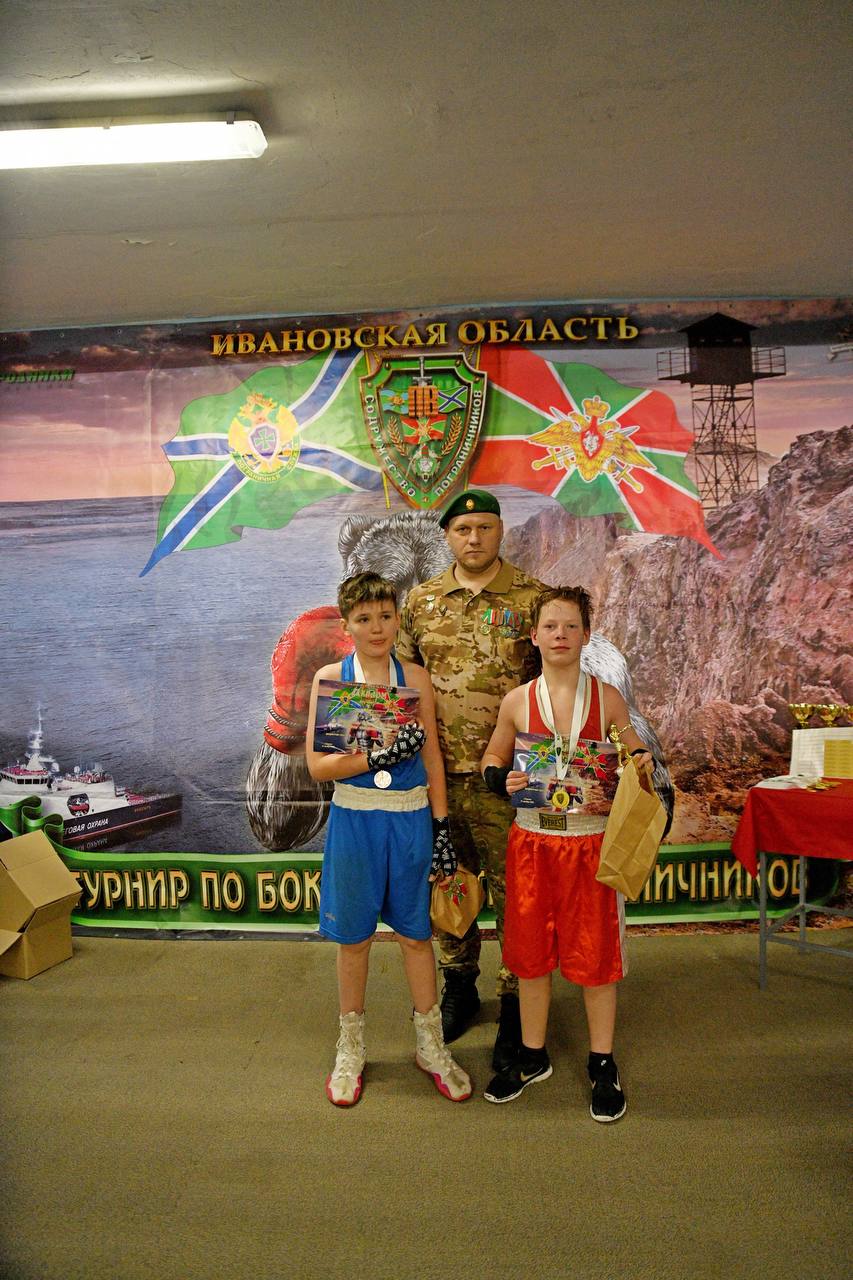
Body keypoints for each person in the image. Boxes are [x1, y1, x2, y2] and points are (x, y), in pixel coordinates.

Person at [479, 586, 653, 1122]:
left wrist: (637, 762)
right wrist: (499, 779)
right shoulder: (517, 701)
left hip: (590, 845)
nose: (560, 635)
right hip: (533, 841)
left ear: (586, 635)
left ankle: (602, 1061)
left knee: (597, 959)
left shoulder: (607, 699)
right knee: (530, 956)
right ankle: (533, 1055)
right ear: (534, 635)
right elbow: (493, 755)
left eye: (571, 626)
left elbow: (635, 749)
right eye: (551, 626)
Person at [305, 571, 471, 1107]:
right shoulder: (331, 679)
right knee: (354, 940)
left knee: (416, 935)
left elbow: (432, 758)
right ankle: (350, 1046)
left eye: (385, 615)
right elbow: (318, 767)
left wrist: (441, 828)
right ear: (347, 625)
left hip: (410, 818)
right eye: (364, 618)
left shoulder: (415, 678)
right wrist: (373, 758)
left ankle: (430, 1044)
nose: (377, 627)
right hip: (356, 819)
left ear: (398, 617)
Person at [397, 489, 546, 1071]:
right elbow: (400, 685)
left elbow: (551, 691)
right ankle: (459, 984)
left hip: (507, 782)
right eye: (463, 529)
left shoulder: (533, 598)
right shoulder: (422, 602)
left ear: (500, 531)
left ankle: (515, 998)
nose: (474, 538)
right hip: (437, 777)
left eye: (484, 527)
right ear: (448, 536)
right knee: (448, 885)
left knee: (516, 894)